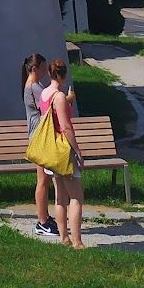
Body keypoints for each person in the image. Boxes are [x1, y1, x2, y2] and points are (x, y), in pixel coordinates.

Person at [40, 57, 86, 248]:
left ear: (50, 73)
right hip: (63, 151)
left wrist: (68, 102)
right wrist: (77, 150)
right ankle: (77, 241)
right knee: (76, 197)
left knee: (60, 197)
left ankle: (64, 238)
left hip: (50, 150)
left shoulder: (44, 93)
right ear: (63, 75)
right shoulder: (59, 96)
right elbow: (65, 127)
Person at [21, 52, 59, 237]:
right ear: (34, 68)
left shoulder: (34, 86)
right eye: (43, 68)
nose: (45, 72)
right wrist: (66, 99)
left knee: (44, 180)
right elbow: (51, 105)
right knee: (43, 181)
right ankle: (42, 221)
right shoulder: (34, 87)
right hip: (39, 138)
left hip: (39, 137)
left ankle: (44, 217)